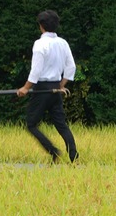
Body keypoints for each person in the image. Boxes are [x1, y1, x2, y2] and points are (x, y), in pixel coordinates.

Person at [15, 9, 78, 164]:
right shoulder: (62, 43)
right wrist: (61, 85)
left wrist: (25, 87)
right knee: (61, 124)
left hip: (42, 89)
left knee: (31, 124)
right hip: (56, 88)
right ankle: (73, 156)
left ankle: (53, 151)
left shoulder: (40, 44)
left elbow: (36, 70)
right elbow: (71, 67)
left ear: (41, 25)